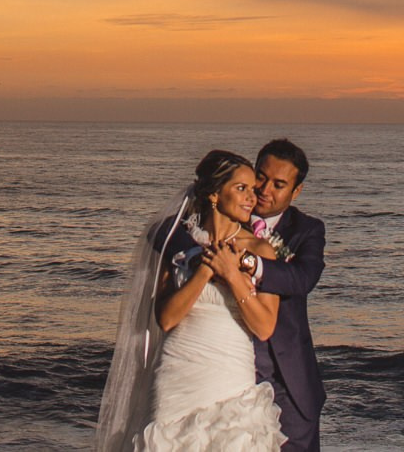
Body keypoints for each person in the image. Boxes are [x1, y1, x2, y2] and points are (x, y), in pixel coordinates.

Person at [97, 150, 285, 452]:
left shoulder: (260, 250)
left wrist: (232, 274)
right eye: (241, 188)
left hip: (230, 375)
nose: (252, 198)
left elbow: (264, 327)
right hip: (177, 373)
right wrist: (205, 269)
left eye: (252, 189)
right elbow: (166, 319)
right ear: (214, 194)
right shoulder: (180, 244)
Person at [241, 139, 325, 452]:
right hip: (228, 365)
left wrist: (251, 263)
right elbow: (163, 233)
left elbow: (303, 279)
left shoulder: (307, 229)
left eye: (279, 184)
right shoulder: (224, 216)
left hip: (288, 378)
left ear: (296, 191)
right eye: (260, 177)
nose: (264, 190)